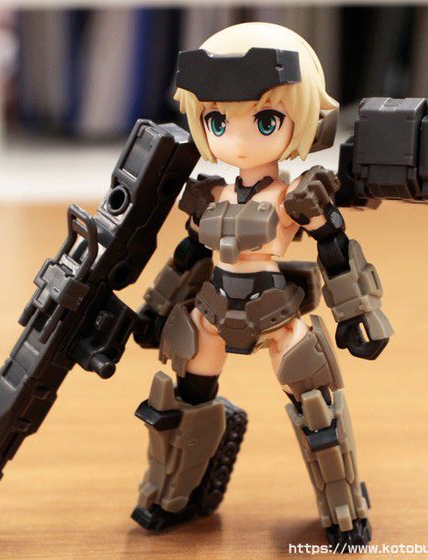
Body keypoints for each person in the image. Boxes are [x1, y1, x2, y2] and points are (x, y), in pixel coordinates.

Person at [132, 22, 393, 548]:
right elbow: (188, 256)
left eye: (266, 120)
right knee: (180, 402)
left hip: (276, 313)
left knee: (317, 409)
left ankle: (344, 511)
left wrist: (357, 313)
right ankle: (173, 496)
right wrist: (157, 307)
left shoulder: (297, 196)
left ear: (302, 119)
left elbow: (335, 250)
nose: (238, 138)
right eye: (217, 121)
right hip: (212, 311)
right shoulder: (211, 195)